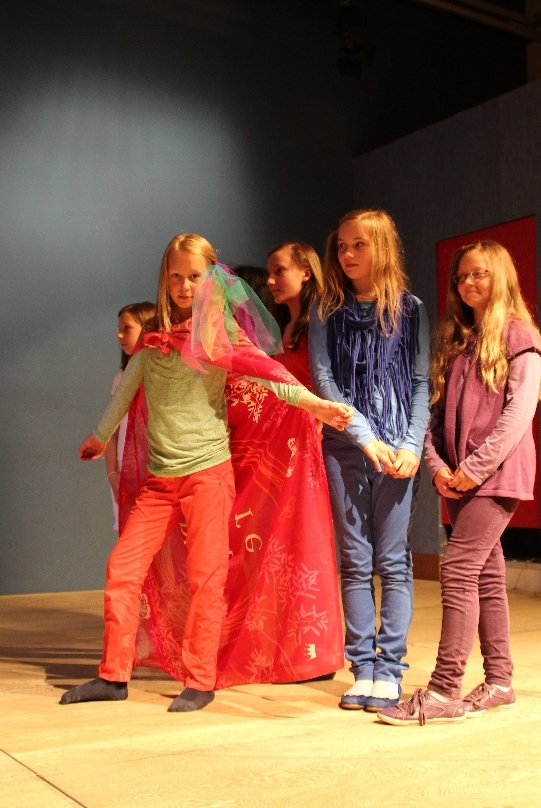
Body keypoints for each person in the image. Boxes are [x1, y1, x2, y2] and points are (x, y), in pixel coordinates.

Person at [60, 232, 353, 712]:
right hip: (161, 481)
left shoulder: (218, 337)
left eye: (194, 276)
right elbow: (126, 391)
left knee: (206, 578)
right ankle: (113, 675)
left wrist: (315, 404)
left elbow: (268, 375)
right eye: (175, 276)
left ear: (211, 278)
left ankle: (200, 679)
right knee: (122, 569)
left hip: (208, 477)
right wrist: (99, 435)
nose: (183, 286)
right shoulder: (153, 340)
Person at [378, 240, 541, 726]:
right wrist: (437, 466)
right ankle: (500, 682)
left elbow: (517, 417)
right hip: (457, 478)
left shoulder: (520, 337)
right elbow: (434, 419)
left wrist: (475, 469)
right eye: (461, 276)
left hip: (496, 477)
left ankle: (443, 689)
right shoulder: (458, 340)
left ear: (501, 277)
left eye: (479, 273)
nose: (468, 283)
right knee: (486, 576)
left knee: (456, 571)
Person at [309, 208, 430, 712]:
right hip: (345, 447)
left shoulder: (410, 309)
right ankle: (362, 669)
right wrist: (362, 436)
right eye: (341, 246)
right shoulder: (327, 309)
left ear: (382, 247)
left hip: (398, 447)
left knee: (394, 562)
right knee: (355, 561)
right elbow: (324, 380)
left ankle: (390, 668)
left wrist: (412, 445)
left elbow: (420, 383)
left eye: (359, 244)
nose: (348, 254)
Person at [104, 301, 156, 531]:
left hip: (159, 478)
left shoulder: (163, 376)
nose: (119, 335)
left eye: (127, 328)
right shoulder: (121, 378)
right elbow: (111, 434)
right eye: (119, 328)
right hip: (127, 479)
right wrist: (113, 476)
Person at [266, 241, 322, 390]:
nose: (269, 281)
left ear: (306, 273)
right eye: (269, 273)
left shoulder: (322, 322)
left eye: (279, 271)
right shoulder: (281, 326)